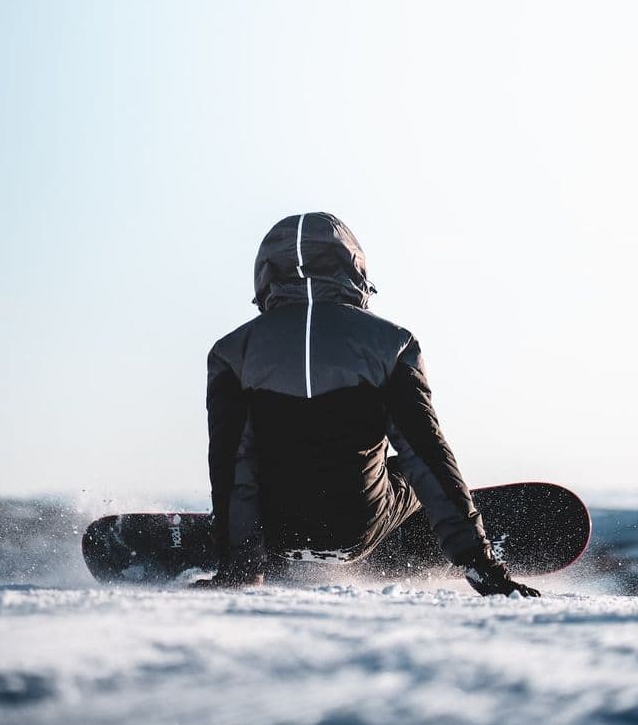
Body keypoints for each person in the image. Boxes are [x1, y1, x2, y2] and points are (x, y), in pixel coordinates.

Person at [202, 212, 540, 597]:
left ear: (265, 275)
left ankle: (244, 545)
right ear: (354, 270)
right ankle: (437, 531)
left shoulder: (232, 352)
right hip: (359, 526)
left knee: (248, 467)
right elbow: (426, 455)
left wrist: (239, 569)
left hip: (278, 531)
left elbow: (233, 465)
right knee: (410, 469)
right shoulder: (392, 344)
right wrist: (480, 564)